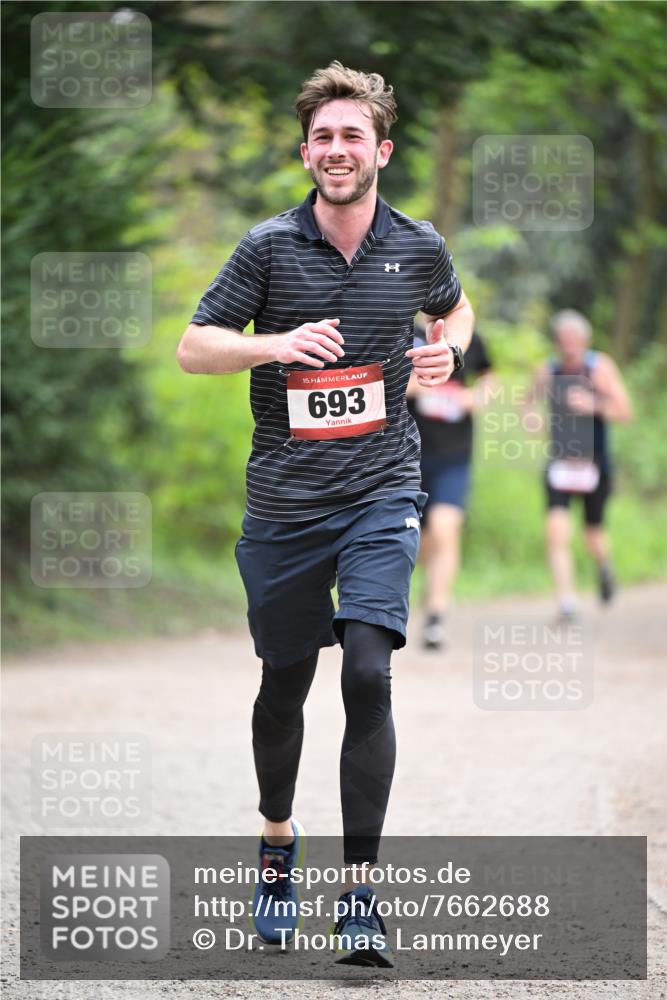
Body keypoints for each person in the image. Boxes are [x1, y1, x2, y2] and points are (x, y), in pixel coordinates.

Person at [177, 61, 474, 967]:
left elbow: (454, 311)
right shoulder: (267, 248)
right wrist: (274, 346)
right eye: (321, 138)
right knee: (284, 683)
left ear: (381, 150)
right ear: (305, 154)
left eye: (351, 135)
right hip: (285, 506)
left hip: (382, 491)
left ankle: (360, 897)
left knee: (369, 674)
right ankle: (277, 844)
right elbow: (194, 346)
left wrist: (448, 354)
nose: (335, 149)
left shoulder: (416, 244)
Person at [531, 310, 633, 623]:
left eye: (574, 339)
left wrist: (595, 405)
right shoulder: (547, 370)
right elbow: (527, 403)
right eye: (564, 339)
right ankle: (567, 601)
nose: (569, 344)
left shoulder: (599, 367)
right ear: (557, 341)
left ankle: (604, 567)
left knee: (593, 533)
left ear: (585, 340)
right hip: (560, 460)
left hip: (594, 462)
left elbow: (625, 412)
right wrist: (531, 418)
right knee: (556, 532)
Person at [407, 323, 495, 650]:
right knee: (419, 539)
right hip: (409, 454)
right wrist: (420, 387)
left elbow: (489, 378)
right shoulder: (406, 333)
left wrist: (475, 397)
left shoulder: (468, 336)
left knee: (445, 528)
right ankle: (431, 588)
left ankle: (435, 615)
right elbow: (382, 381)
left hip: (454, 454)